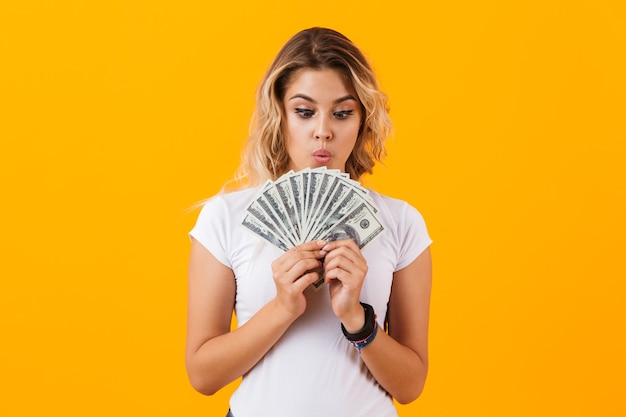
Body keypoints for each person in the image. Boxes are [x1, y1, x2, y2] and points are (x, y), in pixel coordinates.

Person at [186, 27, 432, 417]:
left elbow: (410, 385)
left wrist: (358, 319)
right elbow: (202, 375)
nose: (323, 131)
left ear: (363, 118)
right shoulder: (224, 218)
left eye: (342, 112)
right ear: (279, 115)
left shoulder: (402, 223)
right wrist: (283, 306)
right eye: (304, 112)